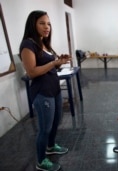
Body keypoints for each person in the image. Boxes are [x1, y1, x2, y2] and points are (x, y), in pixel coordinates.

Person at [19, 10, 70, 171]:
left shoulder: (44, 43)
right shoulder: (28, 44)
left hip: (54, 89)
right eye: (42, 23)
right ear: (32, 24)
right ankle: (41, 161)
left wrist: (59, 62)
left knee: (56, 122)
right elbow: (32, 72)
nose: (46, 27)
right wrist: (53, 64)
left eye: (48, 23)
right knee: (45, 128)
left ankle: (51, 146)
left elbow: (50, 66)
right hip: (42, 92)